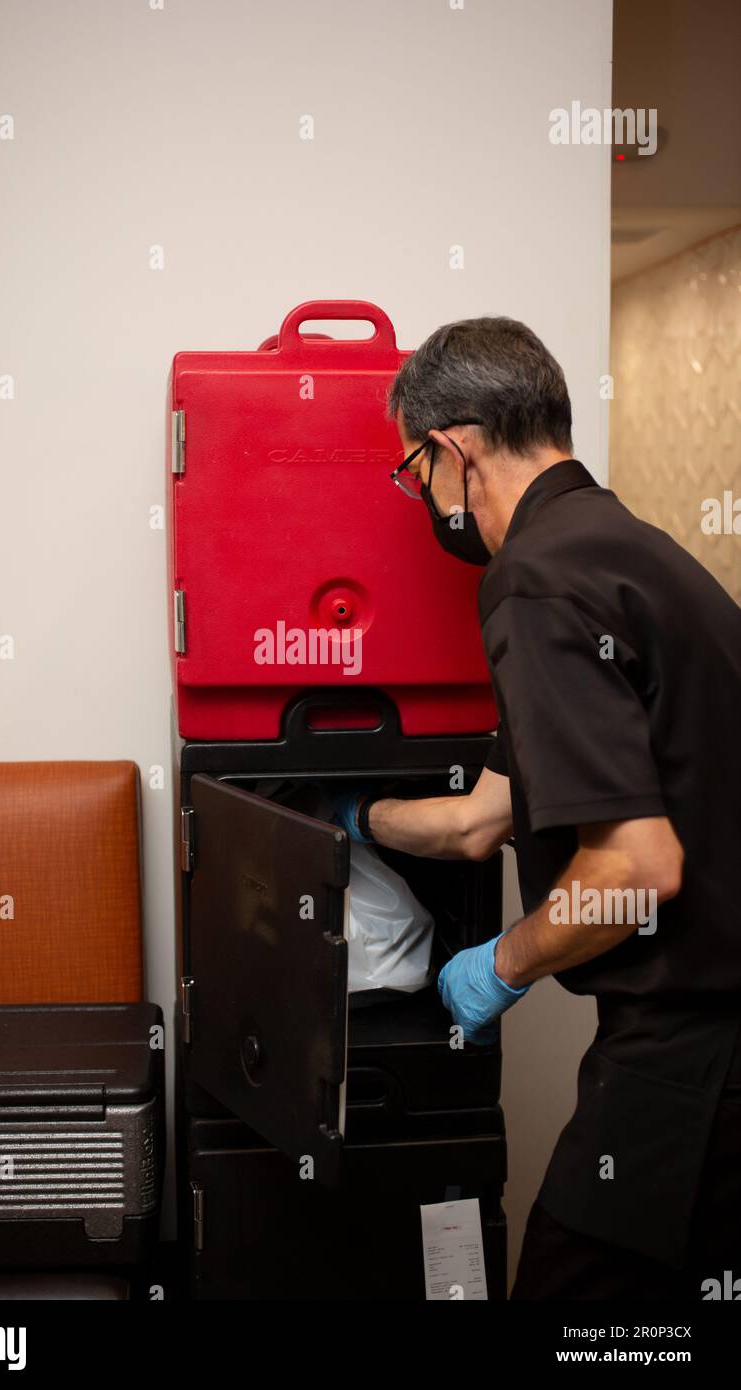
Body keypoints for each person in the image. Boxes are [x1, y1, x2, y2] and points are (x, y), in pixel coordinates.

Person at [336, 316, 741, 1299]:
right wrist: (354, 822)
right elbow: (485, 816)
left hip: (693, 1052)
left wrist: (503, 964)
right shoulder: (627, 551)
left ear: (450, 449)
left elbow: (637, 868)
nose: (422, 499)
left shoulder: (535, 583)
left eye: (412, 473)